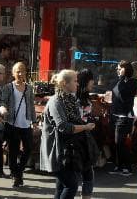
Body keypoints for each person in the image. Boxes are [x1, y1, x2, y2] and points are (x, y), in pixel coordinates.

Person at [40, 69, 96, 199]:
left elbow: (72, 122)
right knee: (71, 185)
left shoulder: (70, 99)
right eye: (75, 81)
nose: (77, 84)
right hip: (58, 151)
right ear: (65, 83)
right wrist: (85, 127)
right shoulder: (56, 101)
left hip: (68, 151)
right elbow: (63, 127)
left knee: (61, 187)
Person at [0, 62, 36, 188]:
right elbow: (2, 102)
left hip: (26, 123)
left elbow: (31, 106)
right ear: (13, 73)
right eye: (18, 71)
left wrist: (34, 122)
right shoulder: (8, 87)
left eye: (23, 71)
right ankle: (15, 175)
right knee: (14, 151)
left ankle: (18, 172)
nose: (20, 74)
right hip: (13, 123)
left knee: (29, 149)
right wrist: (3, 109)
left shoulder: (29, 88)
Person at [110, 60, 137, 176]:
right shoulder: (119, 81)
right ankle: (119, 166)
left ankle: (127, 167)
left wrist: (122, 78)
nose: (118, 70)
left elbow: (122, 94)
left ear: (126, 69)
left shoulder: (132, 82)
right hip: (116, 115)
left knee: (121, 142)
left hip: (125, 116)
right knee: (117, 142)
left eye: (120, 68)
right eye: (117, 68)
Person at [76, 69, 97, 199]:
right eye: (91, 79)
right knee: (77, 173)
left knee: (88, 172)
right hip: (77, 137)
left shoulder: (85, 98)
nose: (93, 82)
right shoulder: (75, 99)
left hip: (85, 137)